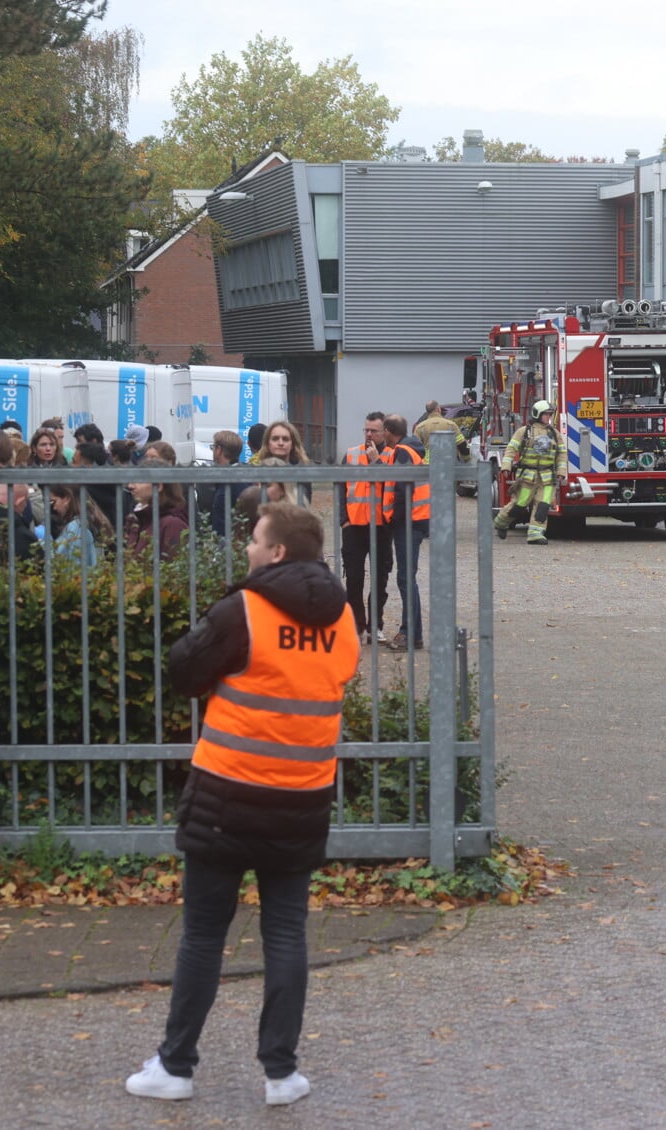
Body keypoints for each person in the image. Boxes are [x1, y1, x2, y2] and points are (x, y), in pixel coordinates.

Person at [124, 503, 358, 1108]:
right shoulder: (344, 620)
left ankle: (175, 1067)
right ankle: (281, 1074)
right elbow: (339, 675)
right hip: (302, 798)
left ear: (278, 552)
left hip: (227, 795)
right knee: (286, 933)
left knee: (203, 936)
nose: (248, 550)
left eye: (255, 541)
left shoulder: (243, 610)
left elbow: (183, 670)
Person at [380, 414, 435, 650]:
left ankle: (409, 633)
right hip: (418, 519)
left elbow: (402, 490)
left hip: (409, 522)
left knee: (405, 578)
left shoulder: (402, 451)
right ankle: (414, 634)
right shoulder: (412, 449)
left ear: (389, 432)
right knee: (407, 577)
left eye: (383, 431)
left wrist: (393, 520)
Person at [339, 412, 395, 643]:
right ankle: (358, 624)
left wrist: (376, 463)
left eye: (374, 431)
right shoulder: (351, 455)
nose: (369, 435)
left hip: (382, 526)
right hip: (354, 526)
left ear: (385, 433)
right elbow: (340, 488)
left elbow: (395, 486)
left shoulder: (393, 455)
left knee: (380, 579)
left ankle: (376, 625)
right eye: (367, 430)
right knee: (353, 578)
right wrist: (343, 519)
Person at [493, 400, 563, 545]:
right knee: (520, 503)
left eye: (550, 414)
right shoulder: (524, 432)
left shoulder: (554, 434)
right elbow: (511, 449)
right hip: (528, 476)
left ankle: (535, 534)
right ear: (537, 414)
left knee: (543, 505)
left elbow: (562, 454)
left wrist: (562, 471)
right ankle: (501, 522)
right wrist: (506, 466)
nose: (548, 417)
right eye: (546, 414)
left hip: (547, 478)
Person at [42, 483, 113, 566]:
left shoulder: (76, 527)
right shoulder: (89, 520)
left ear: (67, 498)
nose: (54, 508)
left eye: (54, 502)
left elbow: (66, 565)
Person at [195, 430, 247, 538]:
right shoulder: (245, 473)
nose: (212, 450)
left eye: (213, 447)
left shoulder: (228, 481)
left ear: (219, 450)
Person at [123, 479, 190, 561]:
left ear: (158, 486)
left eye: (139, 480)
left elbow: (175, 570)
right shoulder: (138, 521)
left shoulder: (173, 525)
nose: (130, 486)